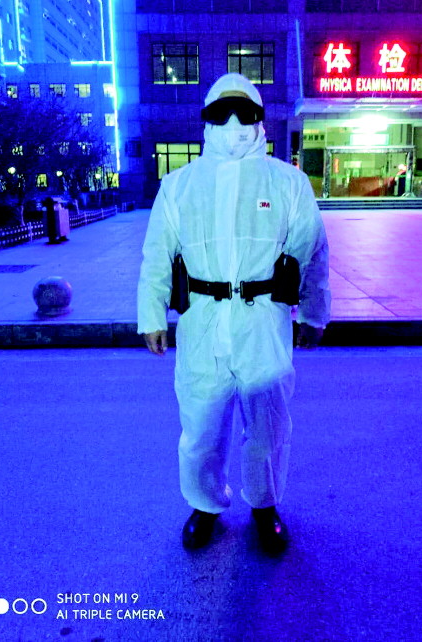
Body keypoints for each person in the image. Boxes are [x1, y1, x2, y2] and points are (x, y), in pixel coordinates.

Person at [138, 73, 330, 554]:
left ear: (260, 118)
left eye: (244, 112)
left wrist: (314, 313)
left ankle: (264, 506)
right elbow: (157, 254)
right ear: (206, 120)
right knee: (201, 427)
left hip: (263, 321)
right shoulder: (179, 185)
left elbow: (313, 252)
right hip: (202, 321)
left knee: (268, 425)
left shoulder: (287, 182)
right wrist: (151, 315)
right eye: (221, 112)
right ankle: (205, 504)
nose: (233, 123)